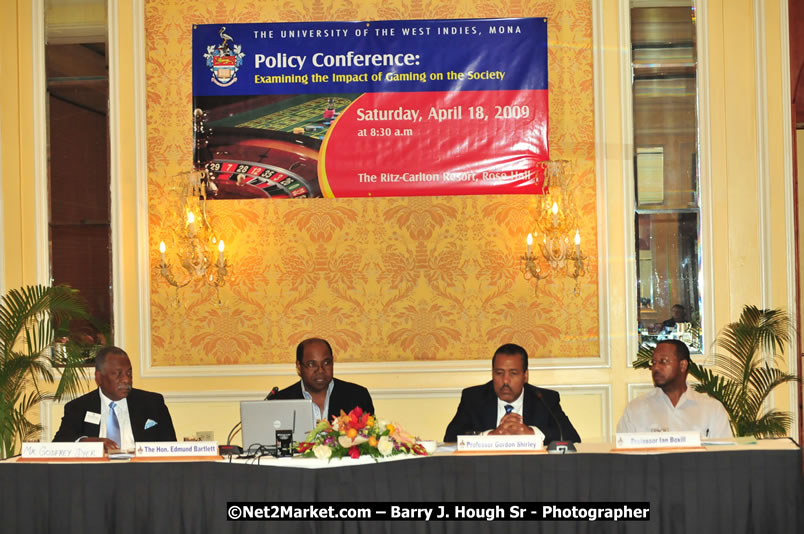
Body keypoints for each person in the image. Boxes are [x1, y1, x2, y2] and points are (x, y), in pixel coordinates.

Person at [443, 343, 581, 444]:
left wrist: (531, 433)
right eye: (499, 373)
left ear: (525, 376)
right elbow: (450, 439)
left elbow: (572, 437)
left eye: (513, 373)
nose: (505, 381)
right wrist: (489, 436)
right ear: (492, 373)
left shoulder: (544, 399)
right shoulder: (474, 398)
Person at [53, 346, 176, 451]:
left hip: (143, 472)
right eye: (117, 374)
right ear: (99, 377)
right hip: (96, 474)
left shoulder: (152, 403)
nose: (126, 380)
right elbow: (60, 443)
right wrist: (90, 443)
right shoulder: (79, 407)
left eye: (129, 373)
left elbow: (171, 446)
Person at [617, 339, 733, 438]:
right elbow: (623, 458)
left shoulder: (712, 409)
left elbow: (723, 457)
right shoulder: (635, 410)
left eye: (663, 361)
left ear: (682, 365)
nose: (655, 367)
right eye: (654, 362)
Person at [273, 337, 374, 422]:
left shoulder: (358, 396)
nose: (320, 370)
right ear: (299, 366)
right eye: (312, 364)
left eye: (326, 363)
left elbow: (369, 440)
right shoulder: (279, 402)